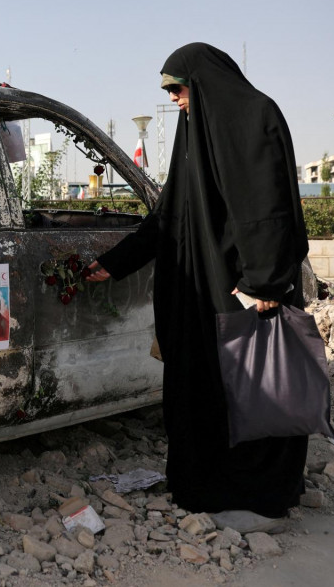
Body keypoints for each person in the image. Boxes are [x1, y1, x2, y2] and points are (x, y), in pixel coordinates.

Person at [85, 43, 308, 523]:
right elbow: (170, 213)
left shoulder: (255, 117)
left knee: (255, 385)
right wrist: (117, 262)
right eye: (169, 90)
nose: (174, 98)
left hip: (244, 289)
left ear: (203, 81)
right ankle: (206, 486)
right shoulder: (194, 133)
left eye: (178, 87)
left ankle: (262, 493)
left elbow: (269, 209)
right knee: (202, 385)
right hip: (199, 289)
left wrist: (266, 284)